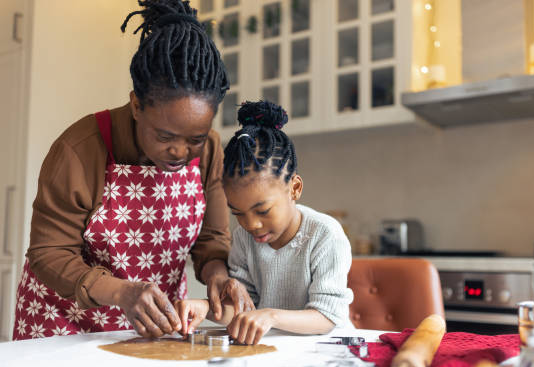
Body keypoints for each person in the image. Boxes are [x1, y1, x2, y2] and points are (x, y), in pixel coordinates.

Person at [12, 0, 253, 341]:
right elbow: (48, 253)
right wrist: (122, 293)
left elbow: (211, 240)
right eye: (165, 136)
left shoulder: (211, 149)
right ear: (137, 106)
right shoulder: (80, 149)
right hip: (63, 322)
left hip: (151, 324)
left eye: (194, 138)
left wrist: (218, 277)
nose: (180, 152)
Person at [175, 101, 354, 345]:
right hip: (274, 349)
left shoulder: (324, 234)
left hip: (327, 349)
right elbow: (243, 308)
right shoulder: (243, 239)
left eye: (263, 210)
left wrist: (271, 316)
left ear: (295, 188)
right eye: (238, 212)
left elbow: (327, 316)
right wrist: (205, 307)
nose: (251, 224)